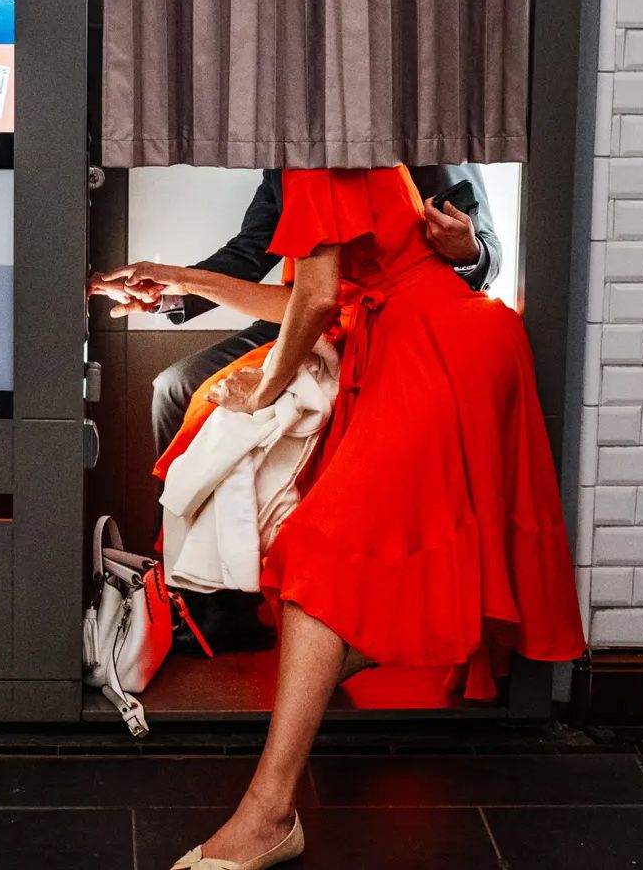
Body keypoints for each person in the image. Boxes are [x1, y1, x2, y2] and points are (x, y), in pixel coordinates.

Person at [158, 169, 583, 868]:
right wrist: (177, 279)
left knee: (319, 558)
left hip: (440, 347)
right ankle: (278, 792)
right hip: (402, 343)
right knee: (325, 563)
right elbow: (306, 294)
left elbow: (320, 298)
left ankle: (268, 812)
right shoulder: (325, 135)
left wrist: (261, 391)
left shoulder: (324, 134)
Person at [92, 166, 500, 652]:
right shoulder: (290, 152)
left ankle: (240, 591)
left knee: (246, 409)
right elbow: (255, 254)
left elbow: (482, 251)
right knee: (176, 386)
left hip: (375, 316)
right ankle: (203, 597)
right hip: (318, 306)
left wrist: (471, 252)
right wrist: (169, 289)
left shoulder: (423, 140)